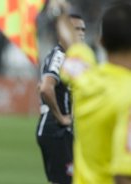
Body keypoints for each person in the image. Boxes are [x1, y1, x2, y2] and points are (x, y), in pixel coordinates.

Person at [55, 1, 131, 184]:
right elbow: (124, 176)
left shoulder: (84, 76)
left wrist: (60, 12)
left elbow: (71, 41)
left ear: (101, 41)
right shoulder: (128, 96)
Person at [36, 13, 86, 184]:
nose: (80, 33)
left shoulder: (71, 58)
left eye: (82, 29)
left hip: (59, 129)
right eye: (76, 28)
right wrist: (61, 117)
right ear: (64, 32)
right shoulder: (60, 55)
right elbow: (45, 88)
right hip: (55, 127)